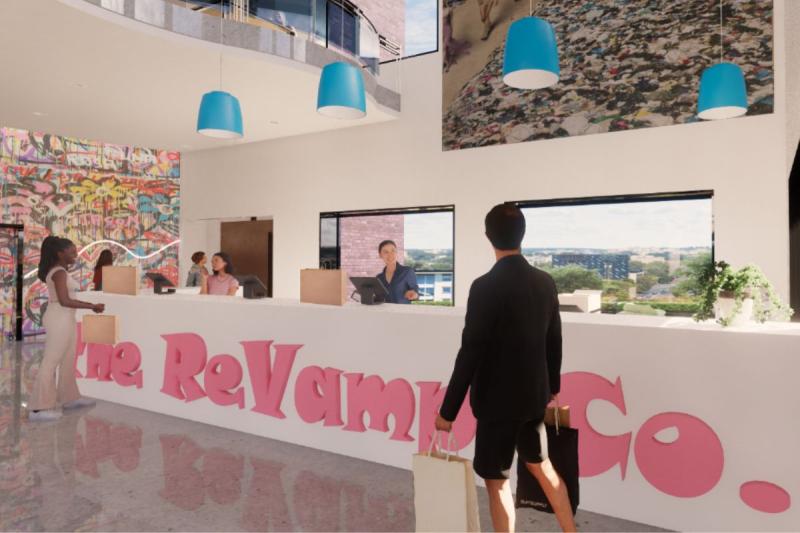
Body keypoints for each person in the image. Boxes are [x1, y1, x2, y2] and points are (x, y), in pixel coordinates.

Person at [435, 204, 576, 532]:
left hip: (497, 406)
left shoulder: (484, 287)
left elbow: (470, 352)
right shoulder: (545, 282)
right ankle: (571, 530)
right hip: (533, 399)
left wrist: (448, 411)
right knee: (543, 468)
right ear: (522, 235)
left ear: (488, 237)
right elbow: (554, 339)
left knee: (497, 483)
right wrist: (552, 386)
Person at [29, 236, 105, 422]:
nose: (76, 255)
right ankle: (38, 408)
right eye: (72, 252)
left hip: (66, 317)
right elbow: (64, 300)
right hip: (59, 317)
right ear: (60, 253)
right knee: (51, 361)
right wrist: (92, 306)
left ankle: (69, 398)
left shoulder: (60, 270)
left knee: (69, 358)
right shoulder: (59, 272)